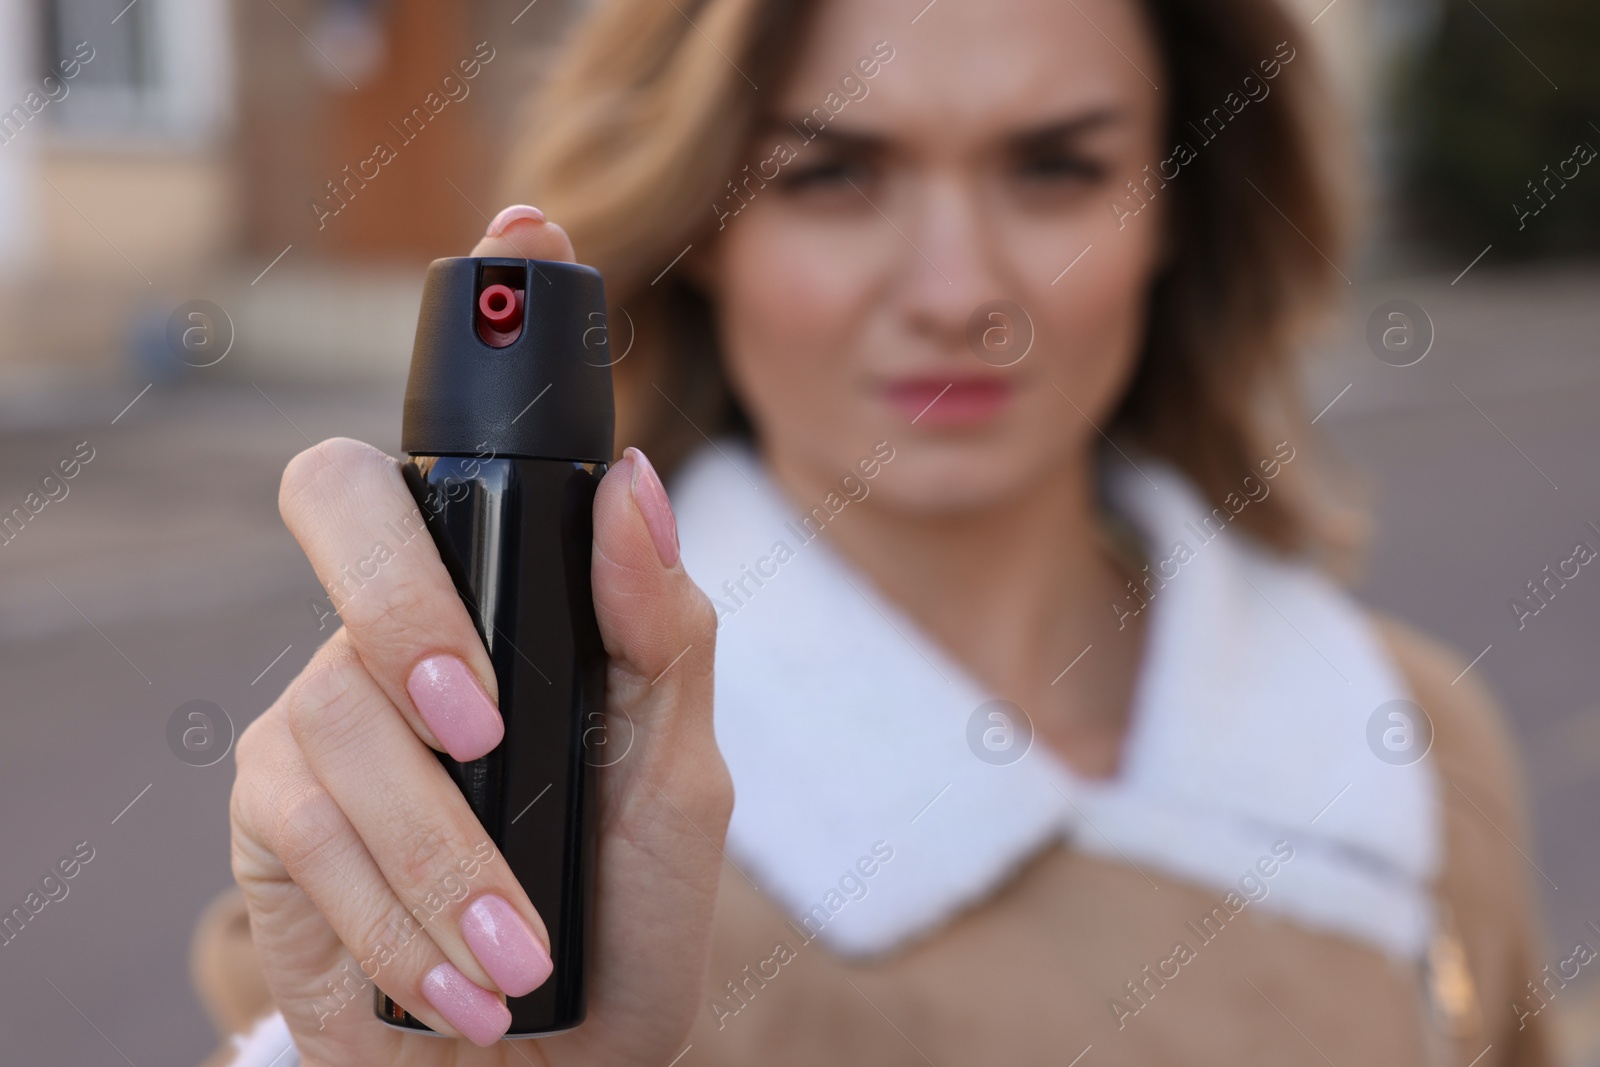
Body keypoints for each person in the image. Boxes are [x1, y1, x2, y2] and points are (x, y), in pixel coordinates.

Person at [200, 0, 1552, 1063]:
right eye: (836, 176)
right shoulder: (490, 818)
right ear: (706, 220)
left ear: (1178, 211)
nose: (959, 289)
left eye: (1057, 170)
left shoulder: (1410, 746)